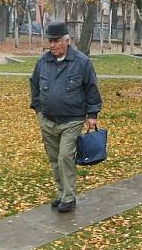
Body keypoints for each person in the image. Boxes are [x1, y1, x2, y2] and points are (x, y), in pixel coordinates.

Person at [30, 21, 103, 213]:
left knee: (65, 157)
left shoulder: (82, 62)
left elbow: (91, 88)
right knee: (54, 159)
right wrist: (38, 111)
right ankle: (62, 193)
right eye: (50, 41)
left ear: (66, 41)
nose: (52, 45)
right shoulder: (43, 62)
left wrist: (92, 114)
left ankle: (69, 197)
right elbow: (34, 86)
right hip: (47, 119)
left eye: (56, 41)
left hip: (72, 120)